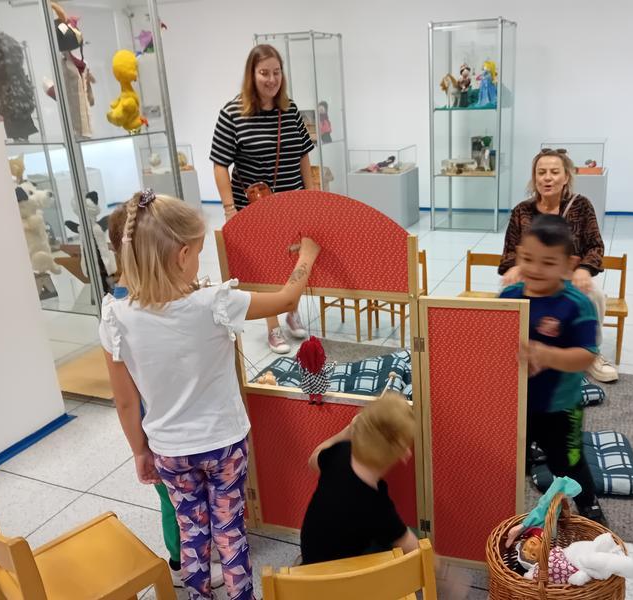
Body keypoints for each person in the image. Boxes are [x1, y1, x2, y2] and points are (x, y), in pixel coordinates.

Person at [100, 190, 320, 599]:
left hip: (169, 449)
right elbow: (288, 299)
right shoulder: (214, 303)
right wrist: (307, 254)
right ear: (182, 255)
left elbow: (126, 400)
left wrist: (139, 451)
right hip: (223, 444)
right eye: (199, 252)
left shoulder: (116, 316)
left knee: (192, 535)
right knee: (230, 533)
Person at [106, 204, 224, 590]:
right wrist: (140, 449)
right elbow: (126, 399)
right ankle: (180, 562)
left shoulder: (128, 303)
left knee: (184, 501)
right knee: (175, 503)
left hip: (167, 429)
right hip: (164, 431)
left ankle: (196, 552)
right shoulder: (124, 311)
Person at [499, 214, 606, 524]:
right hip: (517, 403)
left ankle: (588, 503)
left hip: (561, 407)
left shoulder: (576, 303)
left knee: (568, 462)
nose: (535, 269)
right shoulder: (510, 296)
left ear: (569, 265)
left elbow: (586, 356)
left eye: (548, 262)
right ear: (519, 255)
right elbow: (495, 341)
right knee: (509, 458)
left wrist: (547, 355)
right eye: (528, 259)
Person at [210, 43, 316, 355]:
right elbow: (219, 164)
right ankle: (273, 327)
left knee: (293, 260)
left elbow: (303, 156)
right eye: (264, 73)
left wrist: (312, 198)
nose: (271, 79)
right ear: (252, 75)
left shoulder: (290, 109)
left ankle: (291, 309)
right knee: (266, 267)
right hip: (255, 208)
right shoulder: (232, 113)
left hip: (293, 203)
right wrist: (229, 209)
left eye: (276, 72)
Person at [499, 148, 618, 383]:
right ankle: (515, 350)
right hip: (533, 274)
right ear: (534, 177)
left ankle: (591, 352)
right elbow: (510, 250)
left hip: (568, 274)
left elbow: (595, 246)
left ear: (566, 177)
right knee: (507, 291)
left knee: (594, 294)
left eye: (554, 172)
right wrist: (514, 266)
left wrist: (584, 269)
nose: (547, 178)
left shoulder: (581, 206)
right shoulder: (522, 210)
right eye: (541, 172)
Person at [300, 392, 419, 565]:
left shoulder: (339, 453)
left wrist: (348, 431)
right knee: (403, 538)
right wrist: (438, 565)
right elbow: (413, 548)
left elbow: (313, 459)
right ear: (403, 453)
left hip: (310, 561)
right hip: (342, 576)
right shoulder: (378, 505)